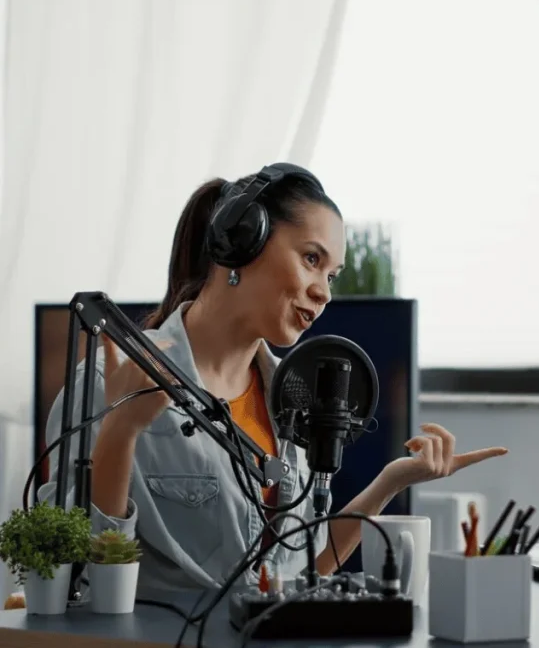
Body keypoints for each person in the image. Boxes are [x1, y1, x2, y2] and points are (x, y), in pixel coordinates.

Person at [37, 164, 508, 591]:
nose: (324, 292)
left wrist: (390, 482)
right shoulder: (110, 382)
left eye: (333, 274)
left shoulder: (292, 398)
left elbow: (306, 572)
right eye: (311, 259)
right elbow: (72, 576)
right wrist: (122, 430)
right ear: (242, 242)